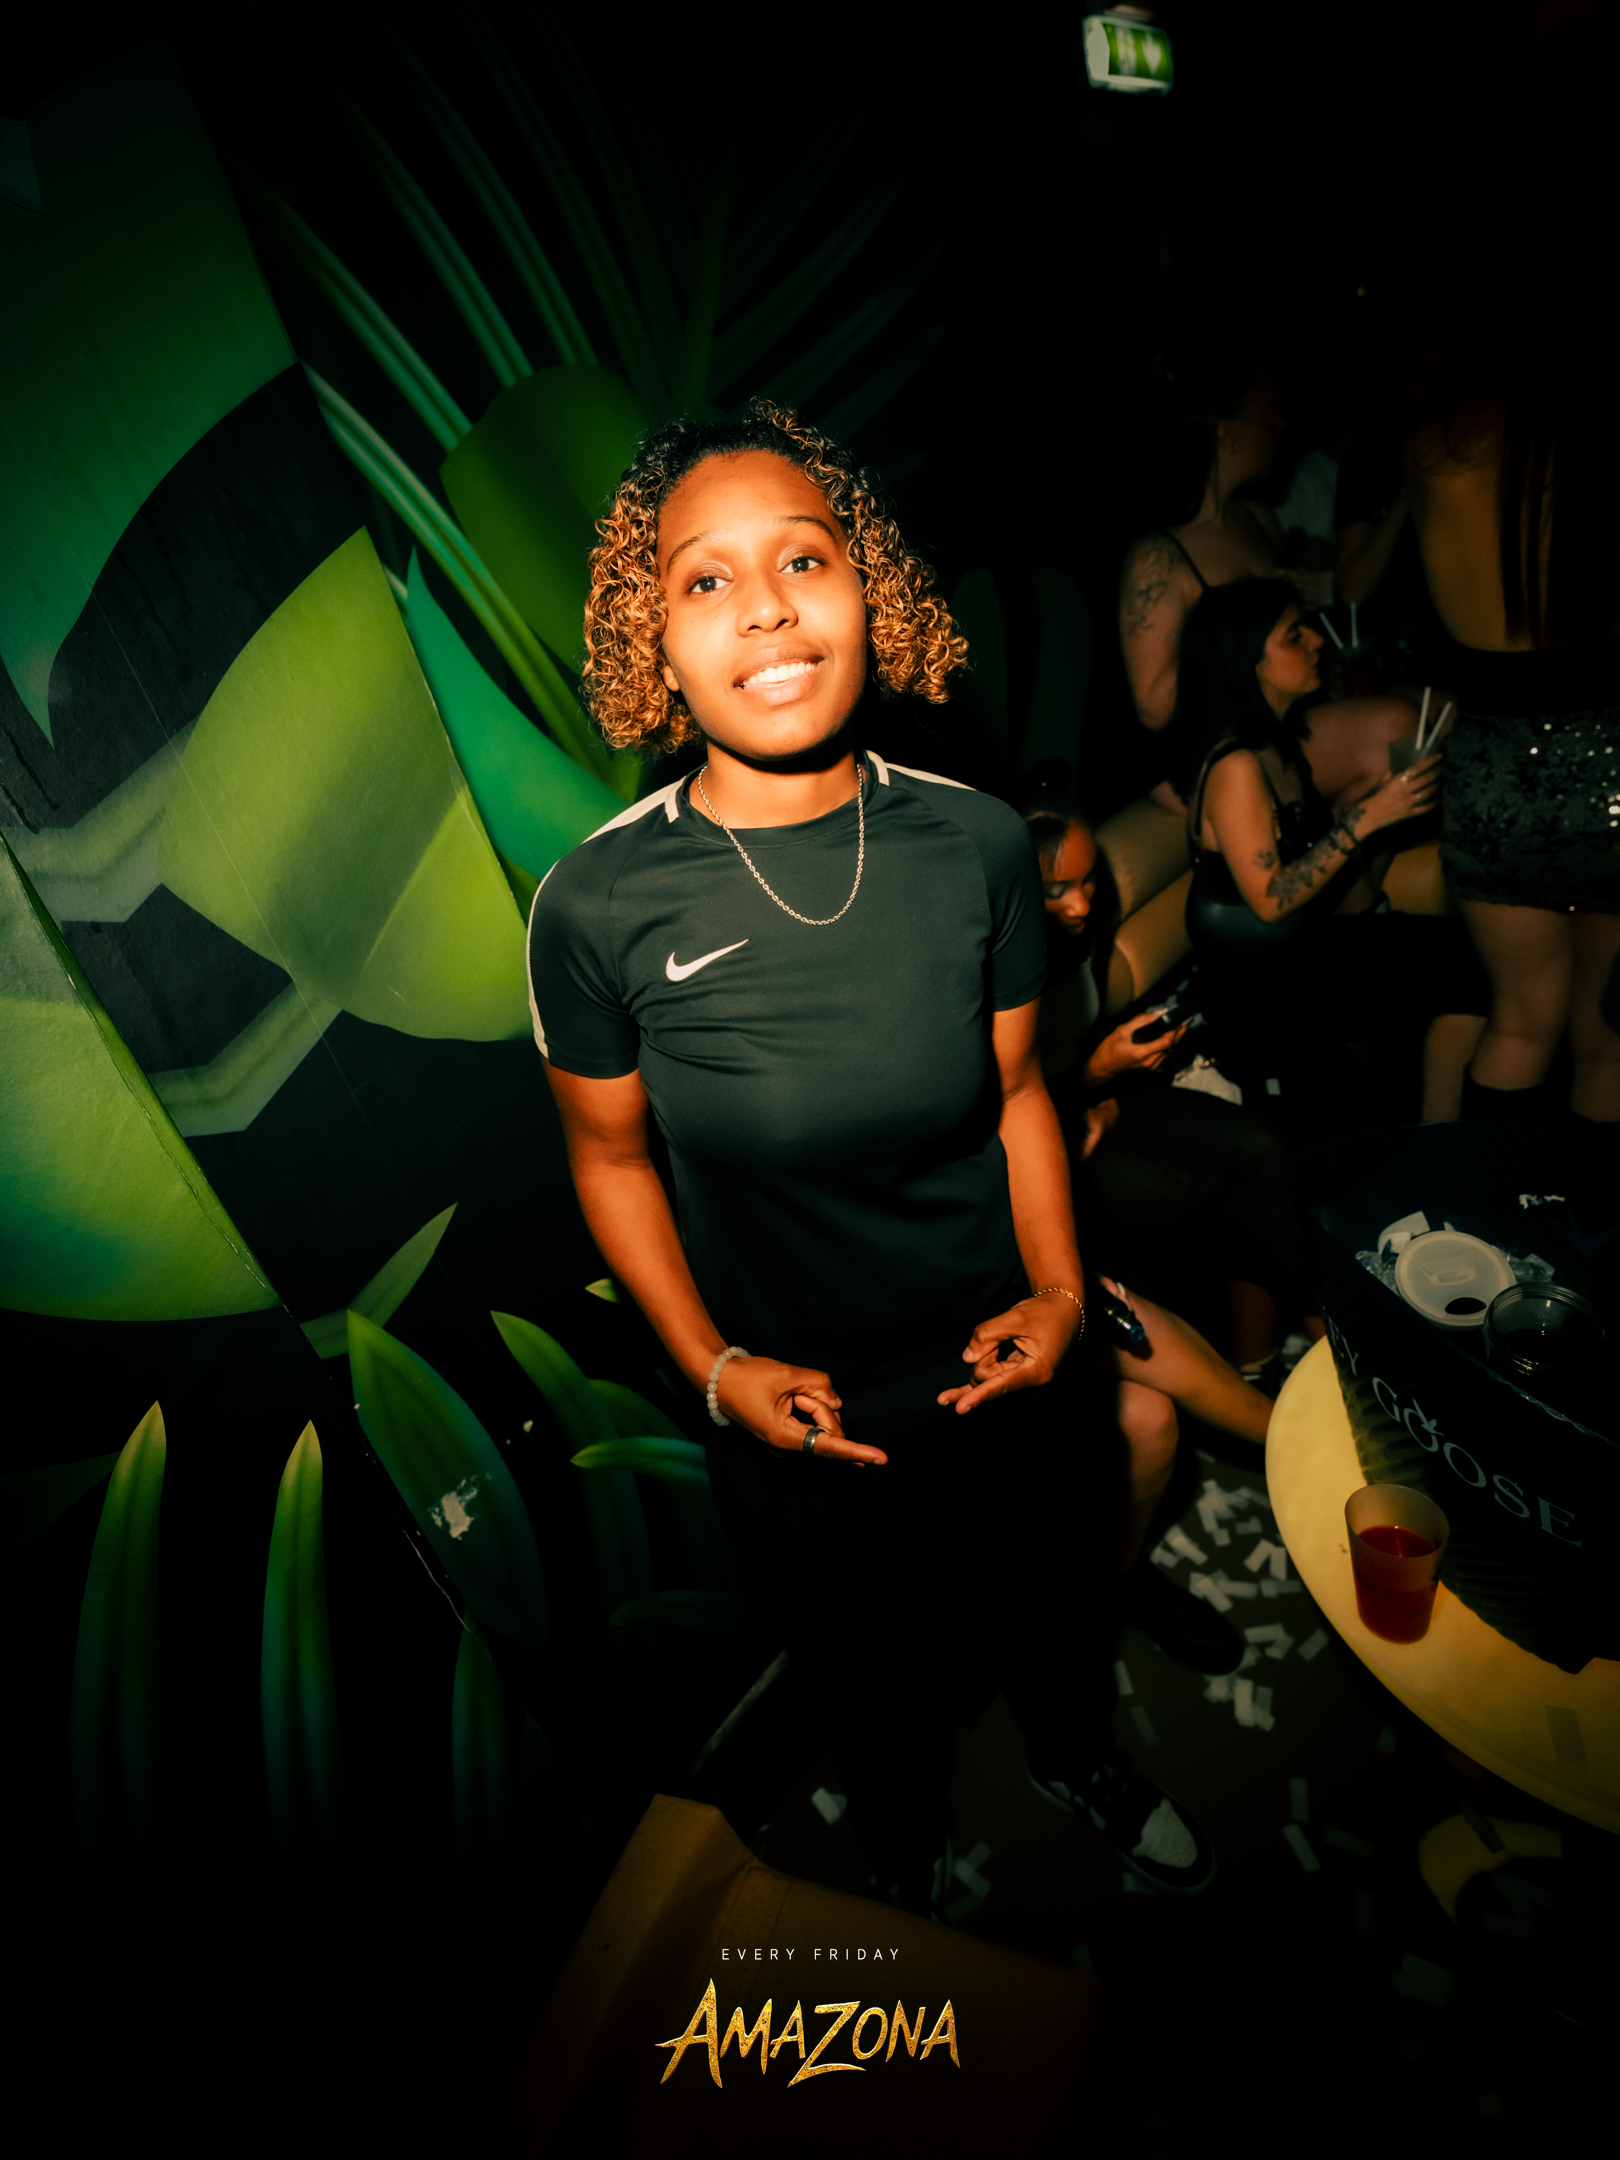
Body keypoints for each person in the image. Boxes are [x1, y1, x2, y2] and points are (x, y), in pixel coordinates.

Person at [527, 398, 1216, 1901]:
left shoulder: (976, 842)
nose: (767, 607)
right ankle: (902, 1839)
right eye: (706, 579)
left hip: (1007, 1348)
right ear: (655, 635)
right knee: (869, 1676)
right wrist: (712, 1367)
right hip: (801, 1402)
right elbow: (611, 1163)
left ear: (871, 589)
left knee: (1056, 1610)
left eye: (803, 559)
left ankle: (1075, 1749)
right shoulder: (596, 906)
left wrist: (1056, 1294)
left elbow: (1020, 1093)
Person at [1024, 792, 1320, 1381]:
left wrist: (1115, 1070)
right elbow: (1006, 1113)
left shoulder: (1081, 935)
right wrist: (1100, 1073)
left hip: (1096, 1098)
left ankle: (1311, 1344)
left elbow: (1080, 1044)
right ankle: (1265, 1359)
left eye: (1088, 880)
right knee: (1202, 1186)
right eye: (1057, 890)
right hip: (1044, 1141)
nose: (1081, 902)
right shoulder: (999, 966)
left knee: (1261, 1146)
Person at [1175, 578, 1488, 1116]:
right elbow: (1270, 899)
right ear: (1248, 661)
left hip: (1303, 956)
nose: (1318, 641)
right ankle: (1435, 1135)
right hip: (1262, 990)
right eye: (1295, 635)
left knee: (1471, 959)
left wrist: (1368, 812)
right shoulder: (1236, 766)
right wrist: (1368, 817)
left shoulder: (1278, 743)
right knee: (1467, 972)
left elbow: (1302, 852)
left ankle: (1434, 1129)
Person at [1406, 352, 1620, 1121]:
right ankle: (1589, 1199)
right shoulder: (1593, 435)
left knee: (1520, 1021)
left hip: (1494, 770)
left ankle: (1497, 1196)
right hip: (1607, 763)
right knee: (1607, 1032)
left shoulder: (1435, 448)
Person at [1120, 361, 1412, 818]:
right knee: (1399, 726)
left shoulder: (1257, 519)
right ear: (1227, 432)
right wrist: (1241, 623)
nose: (1281, 424)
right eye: (1269, 410)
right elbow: (1154, 708)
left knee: (1437, 712)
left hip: (1272, 727)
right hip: (1206, 752)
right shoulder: (1158, 556)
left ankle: (1334, 854)